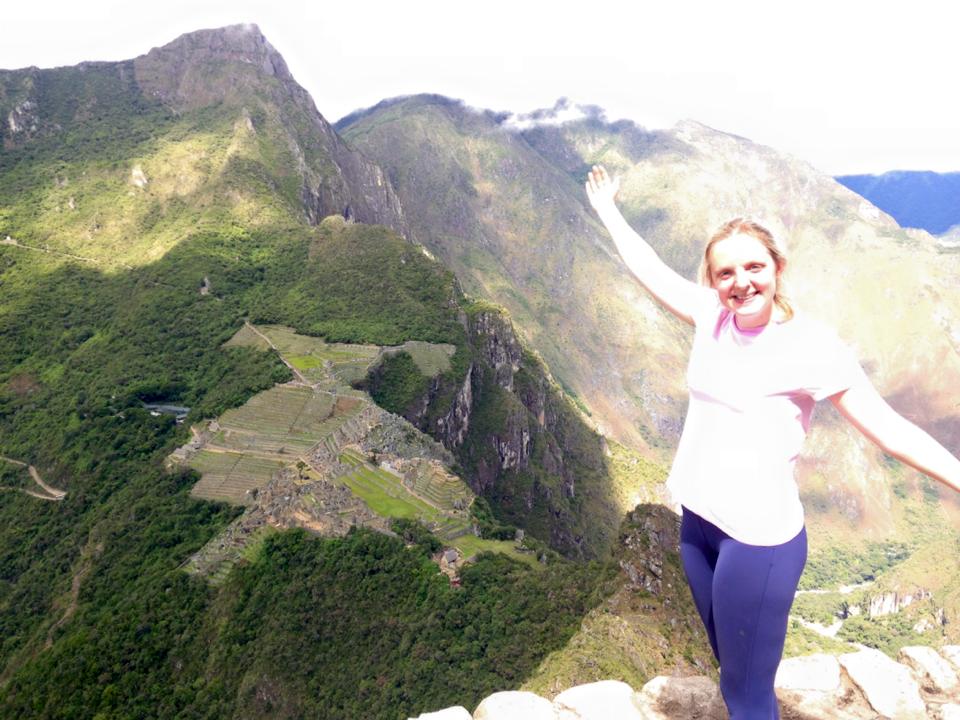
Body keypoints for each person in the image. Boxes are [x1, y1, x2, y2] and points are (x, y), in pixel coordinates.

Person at [584, 165, 960, 719]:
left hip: (758, 542)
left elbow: (889, 429)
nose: (742, 282)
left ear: (777, 269)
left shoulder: (810, 346)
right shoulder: (712, 316)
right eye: (726, 272)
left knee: (746, 694)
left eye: (755, 266)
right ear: (714, 280)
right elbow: (652, 272)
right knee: (730, 666)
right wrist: (608, 210)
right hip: (698, 526)